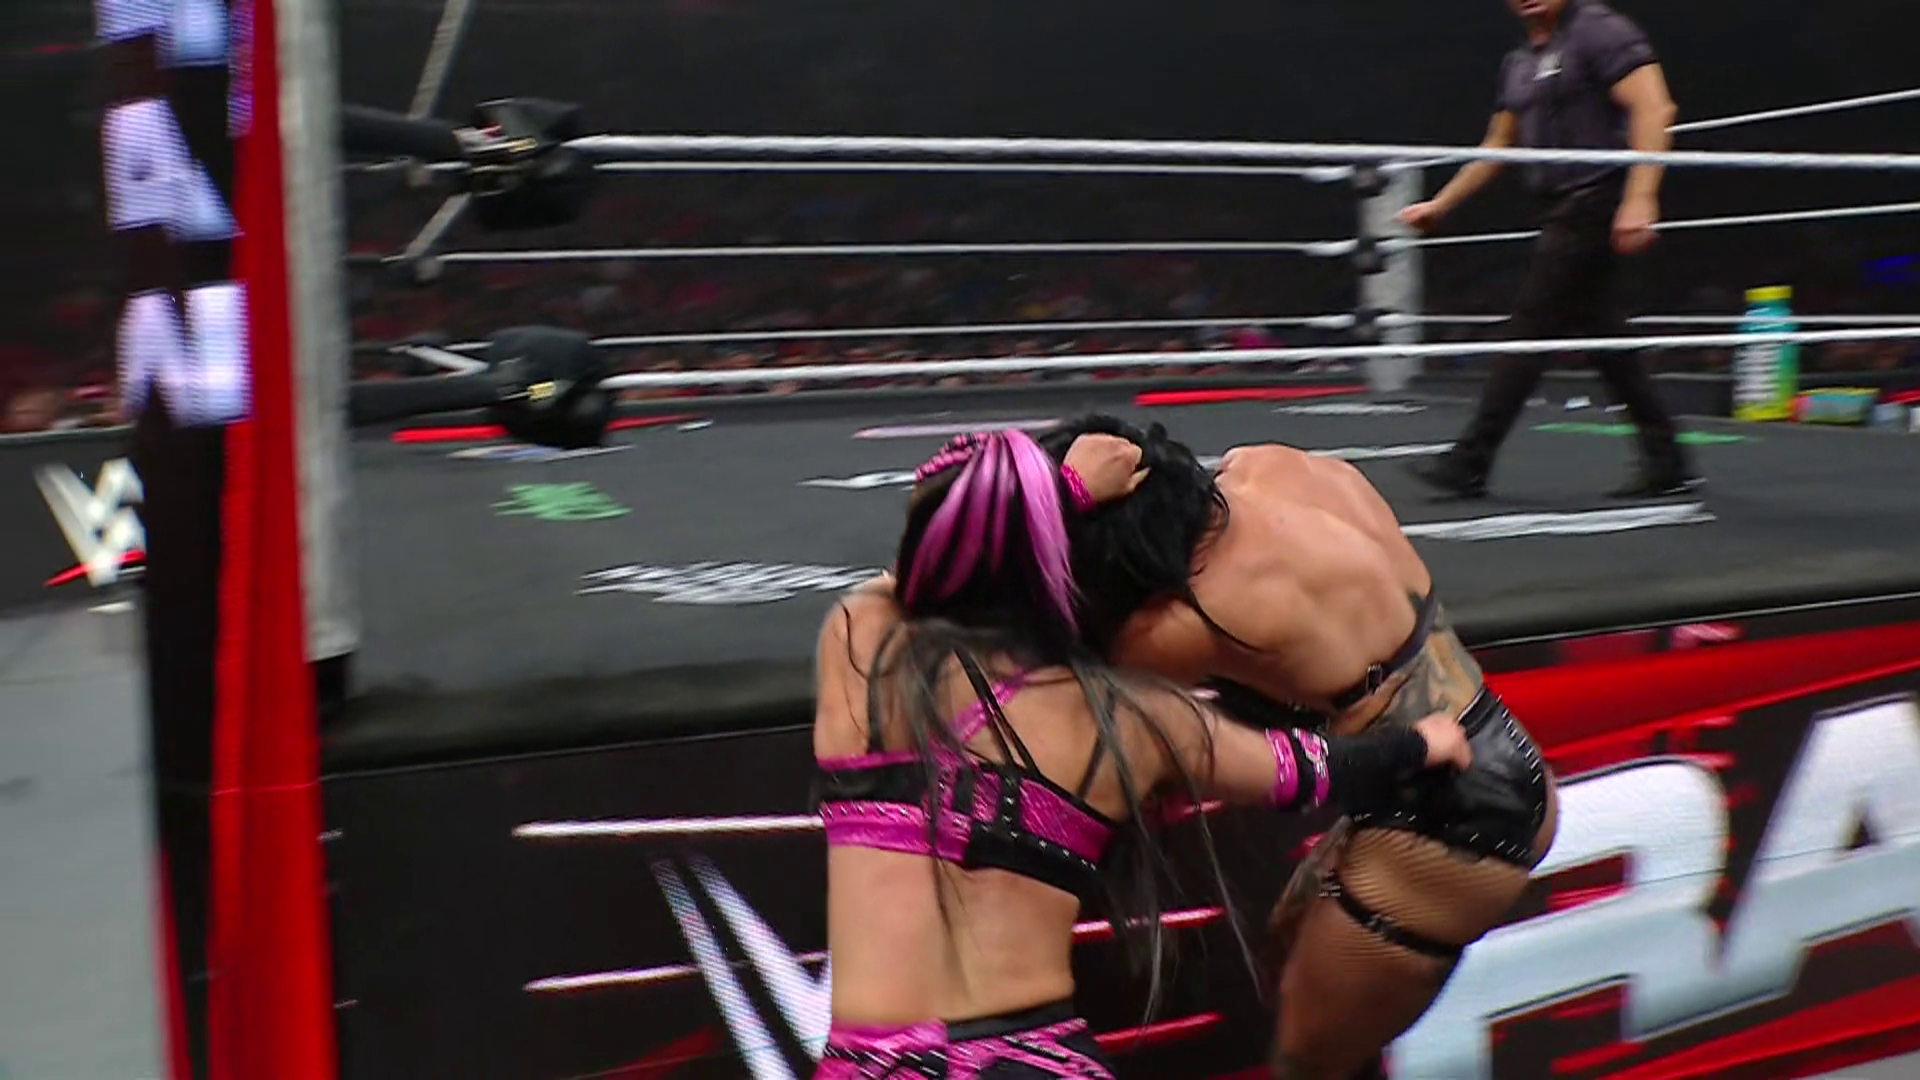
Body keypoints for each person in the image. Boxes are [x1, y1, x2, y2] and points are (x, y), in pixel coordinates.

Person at [811, 428, 1473, 1079]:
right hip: (1030, 1062)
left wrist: (1063, 495)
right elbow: (1308, 771)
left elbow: (924, 564)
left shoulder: (860, 644)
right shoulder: (1130, 720)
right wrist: (1424, 743)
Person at [1037, 416, 1561, 1080]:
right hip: (1485, 745)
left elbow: (1034, 659)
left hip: (1446, 818)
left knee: (1302, 1063)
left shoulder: (1185, 620)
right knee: (1287, 948)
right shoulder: (1271, 464)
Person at [1400, 0, 1699, 500]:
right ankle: (1666, 459)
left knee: (1531, 324)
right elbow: (1499, 142)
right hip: (1556, 205)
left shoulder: (1598, 29)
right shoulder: (1518, 63)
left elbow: (1654, 106)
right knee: (1605, 339)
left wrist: (1641, 196)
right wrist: (1441, 204)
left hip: (1595, 197)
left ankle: (1470, 459)